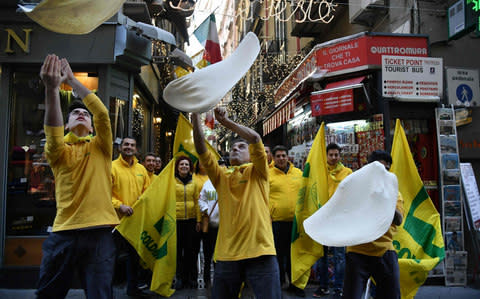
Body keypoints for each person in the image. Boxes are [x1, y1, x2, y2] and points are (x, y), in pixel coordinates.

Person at [36, 54, 119, 298]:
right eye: (74, 114)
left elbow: (102, 114)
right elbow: (52, 129)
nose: (81, 114)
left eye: (85, 113)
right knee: (48, 294)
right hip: (63, 233)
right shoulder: (58, 150)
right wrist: (52, 90)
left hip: (100, 234)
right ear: (68, 125)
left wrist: (71, 80)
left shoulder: (101, 147)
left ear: (92, 128)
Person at [192, 108, 281, 299]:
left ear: (252, 155)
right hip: (227, 254)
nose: (235, 149)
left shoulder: (259, 172)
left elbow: (256, 138)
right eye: (233, 147)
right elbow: (201, 149)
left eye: (241, 147)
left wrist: (226, 122)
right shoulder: (221, 176)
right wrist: (194, 114)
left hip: (261, 252)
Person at [343, 150, 404, 299]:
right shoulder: (355, 188)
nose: (384, 173)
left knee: (391, 295)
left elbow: (399, 219)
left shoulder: (394, 192)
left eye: (387, 169)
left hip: (384, 251)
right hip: (357, 250)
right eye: (380, 168)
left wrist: (385, 201)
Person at [111, 137, 150, 297]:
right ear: (120, 147)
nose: (129, 147)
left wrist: (144, 199)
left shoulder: (141, 169)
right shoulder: (111, 167)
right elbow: (104, 192)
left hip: (135, 222)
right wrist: (120, 205)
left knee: (134, 258)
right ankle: (107, 291)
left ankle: (132, 289)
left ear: (136, 149)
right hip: (115, 223)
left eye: (132, 145)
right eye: (126, 144)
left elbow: (148, 191)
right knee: (110, 258)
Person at [314, 143, 352, 297]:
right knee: (320, 255)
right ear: (326, 155)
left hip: (339, 220)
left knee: (339, 257)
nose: (334, 157)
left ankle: (339, 287)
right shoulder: (319, 172)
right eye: (331, 155)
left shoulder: (347, 173)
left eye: (337, 155)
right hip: (322, 219)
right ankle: (323, 286)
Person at [268, 145, 305, 297]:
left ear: (288, 157)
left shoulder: (299, 173)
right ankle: (279, 283)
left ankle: (295, 284)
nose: (281, 158)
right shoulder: (268, 175)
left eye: (284, 155)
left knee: (295, 255)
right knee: (277, 255)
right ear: (274, 158)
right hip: (276, 222)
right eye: (278, 156)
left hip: (295, 222)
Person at [198, 159, 226, 288]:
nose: (221, 170)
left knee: (220, 255)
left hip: (225, 227)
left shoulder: (229, 183)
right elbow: (201, 199)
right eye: (219, 168)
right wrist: (205, 209)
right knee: (208, 254)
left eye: (223, 168)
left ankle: (219, 280)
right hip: (210, 226)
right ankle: (207, 279)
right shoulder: (207, 184)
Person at [174, 156, 201, 289]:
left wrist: (199, 220)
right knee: (178, 251)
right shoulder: (171, 182)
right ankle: (179, 278)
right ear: (177, 167)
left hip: (191, 221)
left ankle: (192, 277)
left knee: (192, 250)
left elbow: (197, 202)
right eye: (181, 164)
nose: (184, 166)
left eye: (186, 164)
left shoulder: (194, 183)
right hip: (176, 221)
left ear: (190, 167)